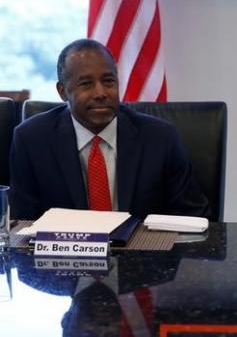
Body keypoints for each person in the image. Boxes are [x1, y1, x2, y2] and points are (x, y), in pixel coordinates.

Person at [10, 38, 209, 220]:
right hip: (64, 257)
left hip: (145, 254)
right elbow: (23, 225)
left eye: (108, 81)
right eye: (86, 84)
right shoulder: (32, 139)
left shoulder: (161, 138)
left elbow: (194, 219)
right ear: (63, 92)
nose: (101, 93)